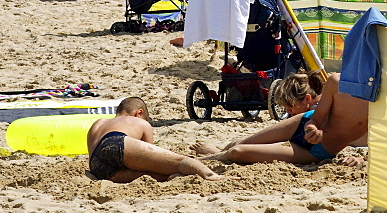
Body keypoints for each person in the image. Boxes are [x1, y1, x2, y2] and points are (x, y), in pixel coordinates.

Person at [193, 73, 367, 165]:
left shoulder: (379, 103)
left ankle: (200, 162)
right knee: (237, 143)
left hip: (317, 151)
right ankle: (217, 154)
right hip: (303, 122)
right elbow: (316, 118)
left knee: (237, 152)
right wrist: (313, 127)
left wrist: (362, 159)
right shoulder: (335, 81)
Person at [86, 96, 221, 182]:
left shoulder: (99, 123)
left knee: (156, 176)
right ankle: (212, 176)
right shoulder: (140, 122)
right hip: (116, 142)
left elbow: (94, 154)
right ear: (139, 113)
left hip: (99, 168)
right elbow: (150, 156)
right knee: (181, 162)